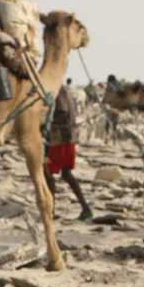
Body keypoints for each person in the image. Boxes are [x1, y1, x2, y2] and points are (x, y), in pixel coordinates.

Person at [45, 79, 92, 221]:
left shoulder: (57, 90)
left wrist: (44, 121)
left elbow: (61, 112)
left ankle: (50, 211)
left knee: (47, 172)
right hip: (68, 137)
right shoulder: (65, 91)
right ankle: (85, 208)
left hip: (59, 139)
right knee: (66, 174)